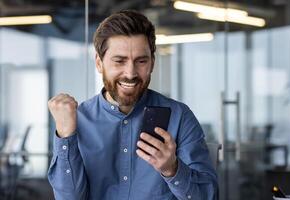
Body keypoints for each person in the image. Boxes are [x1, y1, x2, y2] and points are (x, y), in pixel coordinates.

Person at [47, 10, 217, 200]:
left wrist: (172, 169)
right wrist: (65, 137)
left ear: (152, 62)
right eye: (119, 61)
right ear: (99, 62)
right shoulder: (78, 120)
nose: (130, 73)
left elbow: (208, 197)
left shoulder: (179, 116)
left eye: (141, 61)